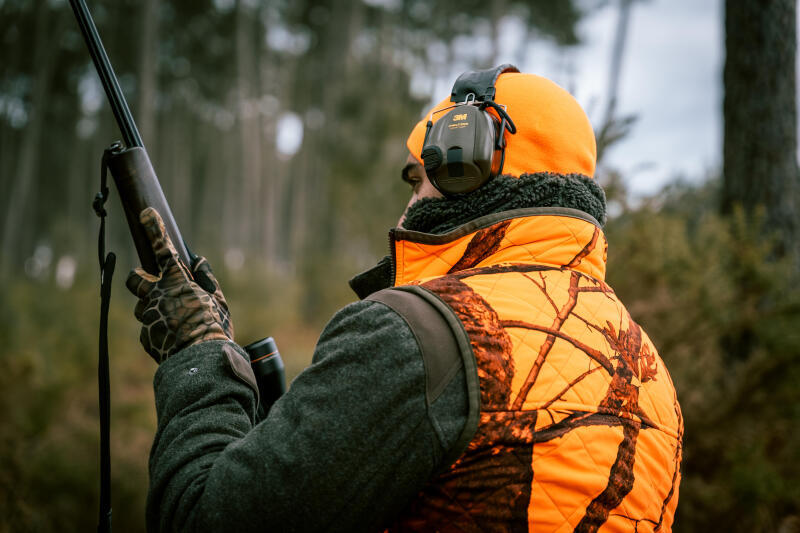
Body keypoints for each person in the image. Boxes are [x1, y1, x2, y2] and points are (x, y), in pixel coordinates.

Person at [127, 66, 683, 532]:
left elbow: (202, 518)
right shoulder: (649, 371)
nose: (403, 213)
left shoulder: (415, 334)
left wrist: (196, 355)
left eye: (418, 183)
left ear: (468, 170)